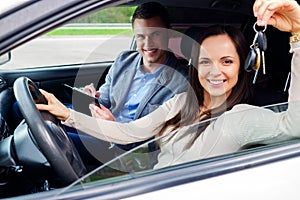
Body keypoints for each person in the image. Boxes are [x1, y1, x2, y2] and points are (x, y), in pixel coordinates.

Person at [36, 0, 300, 169]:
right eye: (205, 61)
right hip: (149, 185)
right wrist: (68, 114)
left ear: (242, 66)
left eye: (227, 61)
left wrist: (298, 36)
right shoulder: (183, 102)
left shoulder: (242, 119)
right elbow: (130, 131)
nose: (214, 72)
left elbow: (295, 125)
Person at [13, 2, 189, 165]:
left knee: (48, 136)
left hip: (121, 146)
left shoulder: (182, 83)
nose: (148, 43)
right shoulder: (124, 60)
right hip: (96, 123)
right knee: (23, 108)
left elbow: (153, 140)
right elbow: (104, 98)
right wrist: (91, 98)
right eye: (141, 36)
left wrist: (113, 126)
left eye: (155, 34)